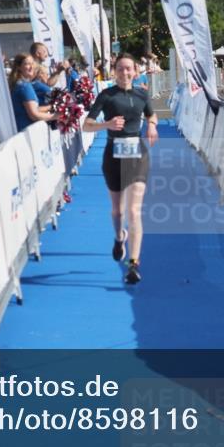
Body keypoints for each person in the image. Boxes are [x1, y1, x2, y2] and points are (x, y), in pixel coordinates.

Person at [81, 53, 159, 285]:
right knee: (118, 212)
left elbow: (151, 113)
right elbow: (86, 125)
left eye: (129, 69)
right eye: (121, 69)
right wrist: (107, 124)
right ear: (114, 71)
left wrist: (152, 126)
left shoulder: (142, 93)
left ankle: (133, 264)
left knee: (134, 211)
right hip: (113, 154)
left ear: (135, 72)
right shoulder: (107, 95)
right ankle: (118, 237)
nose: (125, 73)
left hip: (137, 153)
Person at [9, 53, 54, 132]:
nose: (31, 67)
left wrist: (51, 107)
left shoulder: (18, 84)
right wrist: (56, 116)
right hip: (25, 131)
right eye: (27, 64)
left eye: (32, 63)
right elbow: (34, 115)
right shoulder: (24, 86)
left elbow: (30, 109)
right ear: (19, 67)